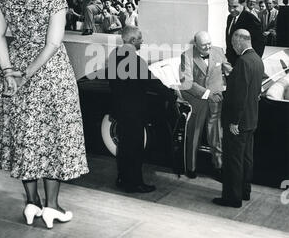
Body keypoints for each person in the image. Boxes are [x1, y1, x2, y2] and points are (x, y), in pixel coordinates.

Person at [0, 0, 89, 228]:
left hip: (15, 69)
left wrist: (10, 72)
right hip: (50, 75)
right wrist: (28, 74)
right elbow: (53, 43)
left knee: (26, 137)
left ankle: (32, 203)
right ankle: (52, 207)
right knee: (54, 138)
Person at [108, 26, 176, 193]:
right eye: (140, 39)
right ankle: (135, 183)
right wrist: (172, 94)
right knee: (135, 148)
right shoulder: (136, 61)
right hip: (134, 112)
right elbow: (152, 82)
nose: (142, 42)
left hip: (120, 110)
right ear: (132, 41)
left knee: (123, 146)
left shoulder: (113, 56)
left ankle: (122, 178)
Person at [213, 29, 264, 208]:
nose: (233, 48)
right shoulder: (257, 59)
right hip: (252, 119)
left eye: (234, 44)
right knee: (246, 158)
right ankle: (244, 191)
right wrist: (232, 75)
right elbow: (254, 89)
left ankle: (232, 198)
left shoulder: (243, 61)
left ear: (240, 41)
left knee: (233, 159)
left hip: (239, 121)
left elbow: (239, 95)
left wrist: (234, 121)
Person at [179, 31, 232, 178]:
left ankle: (219, 167)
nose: (208, 46)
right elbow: (187, 82)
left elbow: (229, 71)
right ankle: (191, 167)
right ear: (195, 44)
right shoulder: (186, 56)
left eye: (209, 43)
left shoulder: (218, 51)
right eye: (203, 45)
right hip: (198, 101)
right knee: (194, 134)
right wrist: (208, 94)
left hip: (216, 100)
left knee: (216, 135)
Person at [226, 0, 264, 65]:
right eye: (229, 6)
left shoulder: (251, 19)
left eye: (234, 6)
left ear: (243, 4)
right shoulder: (230, 18)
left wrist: (252, 63)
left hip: (245, 64)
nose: (231, 10)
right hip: (231, 63)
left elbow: (259, 44)